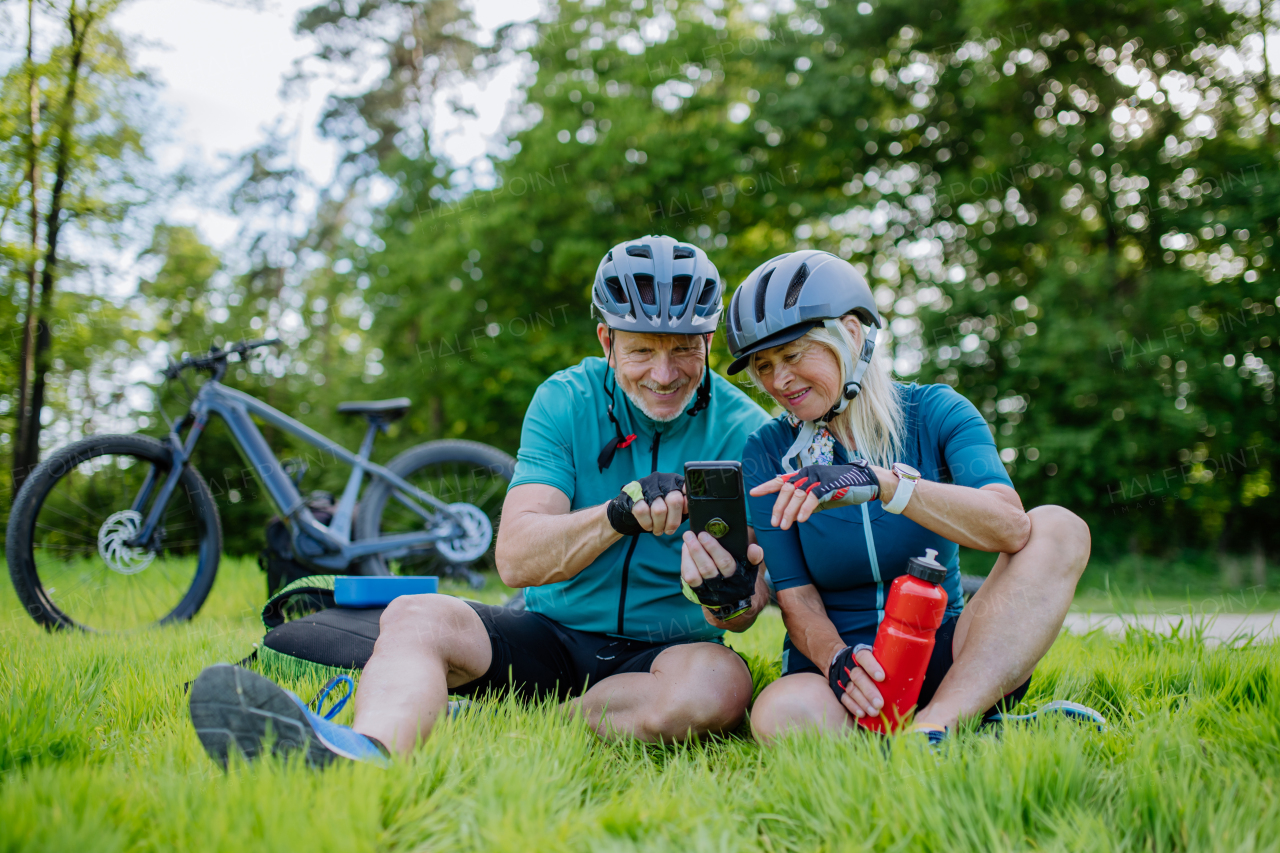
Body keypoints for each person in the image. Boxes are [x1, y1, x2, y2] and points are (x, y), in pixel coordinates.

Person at [188, 235, 772, 767]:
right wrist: (618, 514)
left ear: (707, 341)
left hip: (669, 652)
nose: (665, 374)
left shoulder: (747, 430)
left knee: (719, 688)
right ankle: (365, 750)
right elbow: (517, 558)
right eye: (643, 350)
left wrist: (726, 596)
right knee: (417, 614)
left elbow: (745, 616)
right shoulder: (564, 400)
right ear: (607, 340)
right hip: (549, 634)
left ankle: (511, 718)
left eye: (684, 351)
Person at [713, 249, 1102, 744]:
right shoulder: (767, 451)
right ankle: (972, 732)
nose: (779, 381)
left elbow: (1011, 527)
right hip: (844, 675)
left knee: (1059, 527)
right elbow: (796, 598)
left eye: (792, 355)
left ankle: (938, 724)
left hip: (951, 659)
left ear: (850, 333)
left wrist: (887, 485)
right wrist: (835, 660)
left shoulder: (937, 412)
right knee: (779, 716)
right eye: (764, 366)